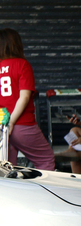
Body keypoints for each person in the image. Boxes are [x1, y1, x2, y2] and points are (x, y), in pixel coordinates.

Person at [0, 28, 56, 170]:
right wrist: (12, 121)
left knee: (7, 169)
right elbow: (24, 97)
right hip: (21, 124)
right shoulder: (22, 65)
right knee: (46, 159)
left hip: (2, 126)